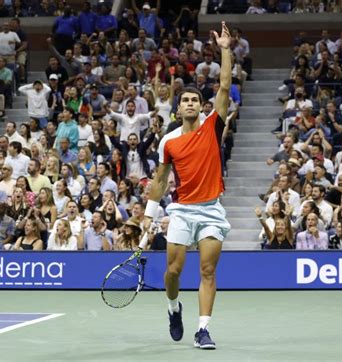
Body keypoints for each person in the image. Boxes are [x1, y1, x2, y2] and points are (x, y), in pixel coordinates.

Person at [142, 22, 232, 350]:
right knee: (173, 273)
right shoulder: (168, 141)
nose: (192, 104)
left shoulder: (211, 126)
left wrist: (224, 48)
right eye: (187, 101)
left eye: (196, 100)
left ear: (200, 105)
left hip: (210, 211)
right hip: (180, 210)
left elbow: (224, 86)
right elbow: (161, 181)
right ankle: (172, 307)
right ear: (178, 108)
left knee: (207, 270)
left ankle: (203, 329)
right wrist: (149, 217)